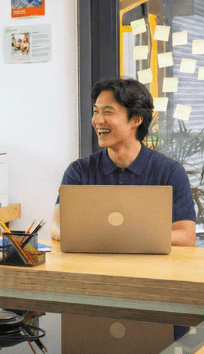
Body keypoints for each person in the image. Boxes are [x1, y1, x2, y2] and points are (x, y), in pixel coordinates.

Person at [51, 78, 196, 247]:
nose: (98, 120)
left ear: (136, 119)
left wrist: (127, 236)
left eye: (108, 112)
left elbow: (186, 236)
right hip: (93, 262)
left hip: (151, 263)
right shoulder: (78, 171)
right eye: (96, 111)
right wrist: (109, 237)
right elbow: (57, 226)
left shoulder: (170, 172)